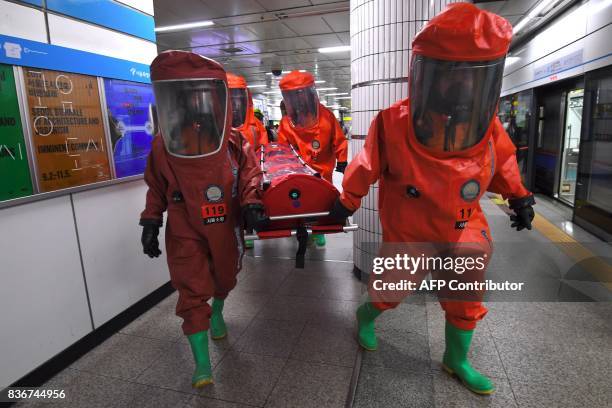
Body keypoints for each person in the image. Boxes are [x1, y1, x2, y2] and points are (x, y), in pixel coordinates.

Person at [329, 3, 535, 395]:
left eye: (471, 77)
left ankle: (456, 359)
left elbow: (503, 159)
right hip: (411, 225)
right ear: (426, 73)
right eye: (449, 74)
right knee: (393, 286)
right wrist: (347, 200)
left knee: (467, 282)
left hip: (462, 222)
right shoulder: (393, 121)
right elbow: (367, 162)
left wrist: (520, 196)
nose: (459, 87)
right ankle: (367, 315)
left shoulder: (485, 126)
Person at [139, 50, 266, 388]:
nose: (191, 107)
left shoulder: (235, 141)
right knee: (191, 290)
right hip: (184, 225)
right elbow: (156, 187)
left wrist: (252, 202)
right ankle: (202, 365)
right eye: (181, 98)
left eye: (198, 97)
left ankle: (220, 308)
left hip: (225, 222)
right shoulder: (162, 147)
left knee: (225, 277)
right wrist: (151, 222)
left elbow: (251, 174)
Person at [277, 70, 348, 247]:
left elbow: (338, 139)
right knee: (300, 202)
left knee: (322, 202)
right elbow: (283, 150)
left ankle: (320, 231)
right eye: (294, 96)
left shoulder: (326, 117)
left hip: (322, 171)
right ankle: (302, 228)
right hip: (297, 173)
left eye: (301, 95)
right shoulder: (286, 123)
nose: (299, 101)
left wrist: (343, 160)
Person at [227, 73, 268, 151]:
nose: (235, 104)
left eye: (238, 99)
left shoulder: (256, 125)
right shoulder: (215, 128)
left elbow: (263, 152)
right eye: (230, 99)